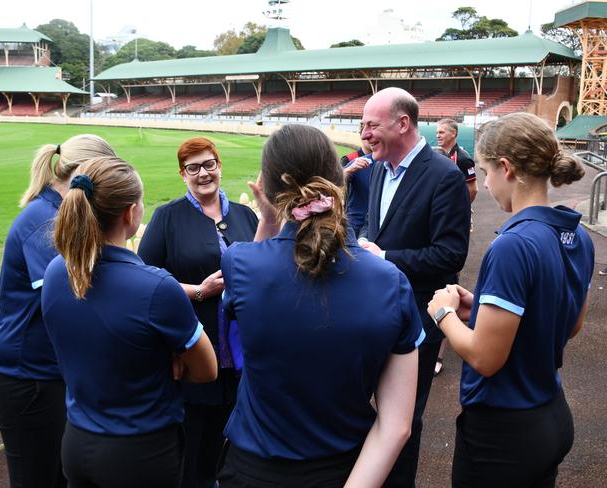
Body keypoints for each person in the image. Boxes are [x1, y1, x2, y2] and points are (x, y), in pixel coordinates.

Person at [217, 124, 422, 487]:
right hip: (349, 469)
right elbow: (396, 426)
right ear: (336, 181)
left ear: (267, 186)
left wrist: (267, 221)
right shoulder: (390, 281)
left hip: (255, 472)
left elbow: (252, 283)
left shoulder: (240, 263)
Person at [428, 112, 594, 487]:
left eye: (485, 171)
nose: (485, 183)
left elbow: (486, 359)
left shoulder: (513, 245)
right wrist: (484, 308)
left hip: (503, 431)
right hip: (550, 413)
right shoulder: (577, 233)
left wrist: (443, 314)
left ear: (506, 168)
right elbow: (568, 324)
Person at [42, 156, 218, 488]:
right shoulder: (156, 287)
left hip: (77, 441)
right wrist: (170, 355)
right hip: (141, 451)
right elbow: (207, 370)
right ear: (130, 214)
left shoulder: (56, 272)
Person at [0, 134, 116, 488]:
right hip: (26, 376)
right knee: (37, 478)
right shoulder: (43, 222)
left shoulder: (60, 213)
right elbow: (72, 299)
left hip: (47, 373)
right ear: (84, 172)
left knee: (60, 474)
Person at [359, 87, 471, 487]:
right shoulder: (376, 169)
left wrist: (384, 257)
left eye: (371, 125)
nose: (364, 134)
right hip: (371, 312)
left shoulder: (444, 176)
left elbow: (450, 256)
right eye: (362, 126)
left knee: (403, 418)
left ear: (402, 123)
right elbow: (376, 231)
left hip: (418, 319)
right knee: (360, 407)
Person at [137, 137, 259, 488]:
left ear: (219, 165)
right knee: (189, 447)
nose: (203, 173)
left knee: (228, 444)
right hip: (192, 353)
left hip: (239, 357)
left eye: (209, 164)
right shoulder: (168, 218)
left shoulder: (245, 215)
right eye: (194, 168)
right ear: (182, 174)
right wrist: (200, 291)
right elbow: (145, 282)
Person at [434, 119, 479, 376]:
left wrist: (459, 210)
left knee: (450, 265)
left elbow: (471, 190)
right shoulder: (439, 154)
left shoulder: (463, 159)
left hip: (455, 218)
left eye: (442, 132)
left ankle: (452, 302)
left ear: (453, 133)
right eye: (437, 132)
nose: (438, 135)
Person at [341, 133, 375, 235]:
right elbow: (334, 185)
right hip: (354, 225)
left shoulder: (389, 162)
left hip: (374, 225)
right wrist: (347, 171)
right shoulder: (351, 160)